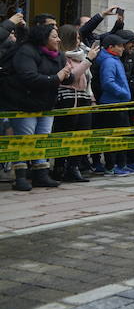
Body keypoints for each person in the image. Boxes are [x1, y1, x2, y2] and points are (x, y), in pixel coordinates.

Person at [1, 24, 77, 190]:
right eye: (54, 36)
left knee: (42, 139)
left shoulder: (58, 55)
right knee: (25, 140)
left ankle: (41, 175)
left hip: (47, 105)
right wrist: (56, 77)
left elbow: (67, 80)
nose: (58, 40)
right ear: (43, 38)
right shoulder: (26, 52)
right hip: (24, 105)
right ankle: (20, 176)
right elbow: (29, 78)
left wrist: (68, 74)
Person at [52, 25, 100, 183]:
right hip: (67, 98)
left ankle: (74, 167)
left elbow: (87, 80)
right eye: (77, 38)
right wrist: (88, 60)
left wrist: (91, 98)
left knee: (82, 134)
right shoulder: (61, 56)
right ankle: (59, 167)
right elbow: (71, 77)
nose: (79, 41)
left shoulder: (82, 54)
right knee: (65, 134)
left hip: (83, 97)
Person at [97, 33, 134, 177]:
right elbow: (108, 82)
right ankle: (112, 166)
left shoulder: (114, 59)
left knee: (122, 135)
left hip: (118, 103)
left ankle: (120, 164)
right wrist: (124, 93)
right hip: (113, 104)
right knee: (114, 136)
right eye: (120, 46)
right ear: (111, 47)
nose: (123, 48)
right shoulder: (109, 62)